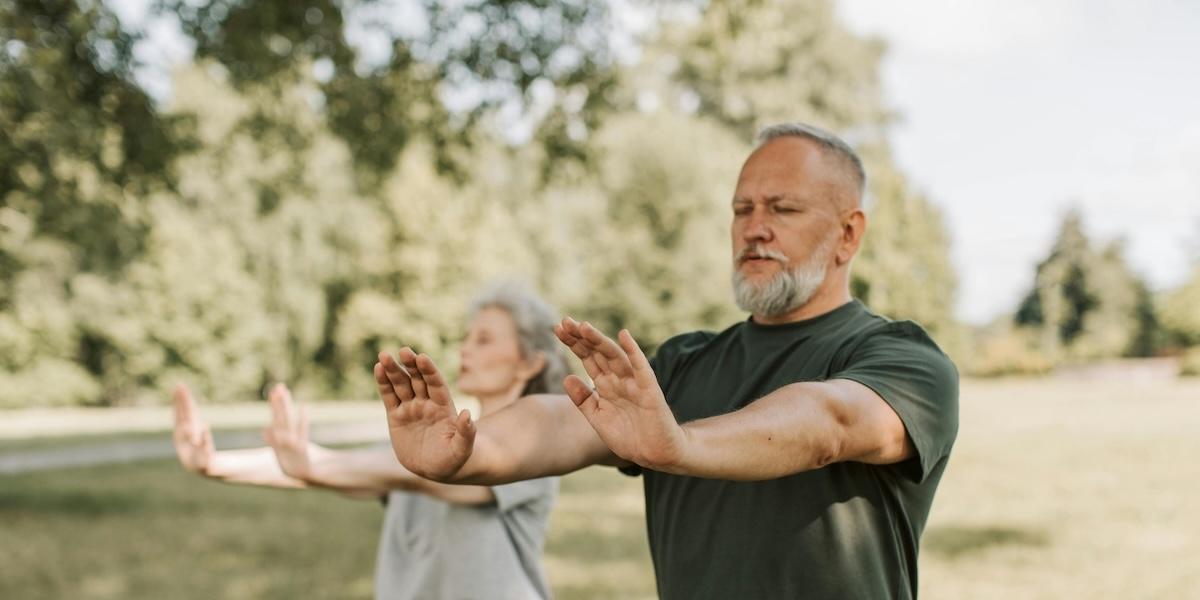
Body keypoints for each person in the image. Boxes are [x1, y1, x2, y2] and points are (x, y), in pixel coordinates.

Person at [373, 123, 960, 600]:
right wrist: (469, 452)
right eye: (742, 209)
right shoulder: (684, 363)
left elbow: (831, 422)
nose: (755, 229)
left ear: (848, 235)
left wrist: (681, 446)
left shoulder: (904, 359)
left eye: (782, 209)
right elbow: (562, 420)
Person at [173, 283, 566, 600]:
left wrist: (312, 463)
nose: (465, 348)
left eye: (484, 340)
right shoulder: (419, 451)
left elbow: (425, 477)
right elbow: (344, 470)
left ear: (531, 362)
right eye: (467, 337)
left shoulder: (534, 448)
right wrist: (215, 463)